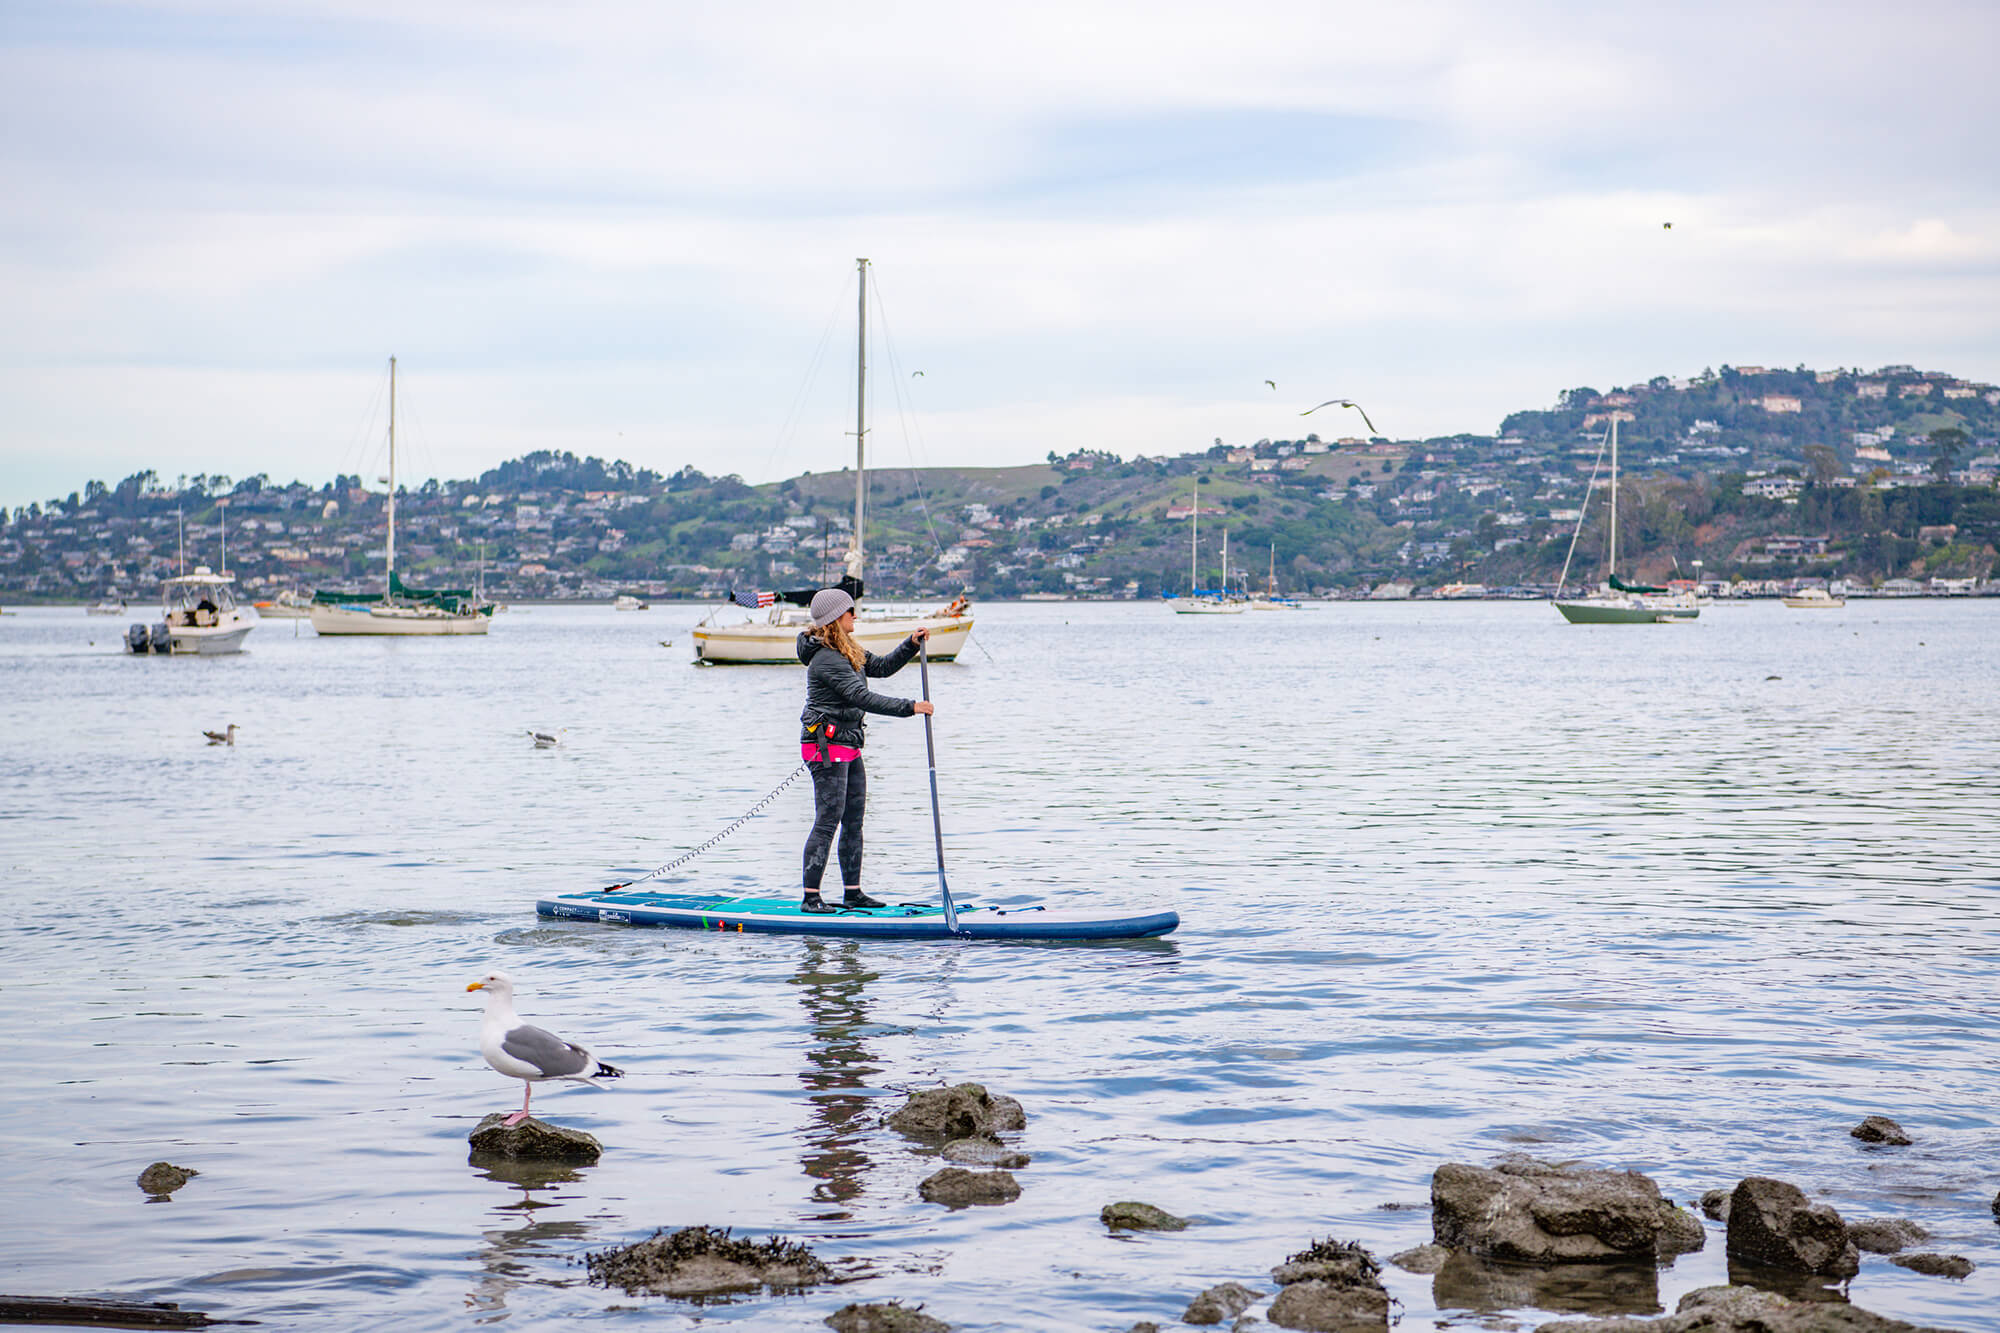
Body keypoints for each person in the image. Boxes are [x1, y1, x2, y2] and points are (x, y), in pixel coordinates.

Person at [796, 587, 934, 915]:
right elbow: (862, 697)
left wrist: (910, 645)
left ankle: (852, 893)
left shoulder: (847, 649)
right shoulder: (826, 658)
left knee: (854, 820)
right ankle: (811, 897)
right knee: (828, 820)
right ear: (835, 618)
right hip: (825, 746)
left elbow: (883, 667)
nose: (855, 616)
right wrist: (911, 707)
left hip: (849, 743)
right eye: (850, 612)